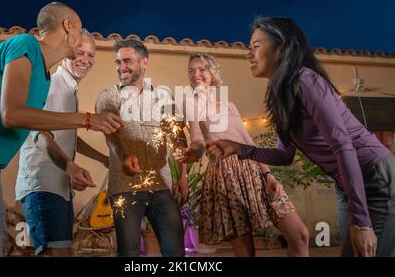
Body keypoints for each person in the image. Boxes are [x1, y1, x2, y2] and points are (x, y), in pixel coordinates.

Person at [207, 17, 395, 257]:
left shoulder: (306, 80)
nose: (248, 53)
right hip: (348, 185)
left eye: (256, 45)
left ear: (281, 49)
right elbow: (285, 155)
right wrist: (238, 148)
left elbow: (342, 144)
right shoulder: (280, 94)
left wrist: (362, 222)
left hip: (375, 177)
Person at [0, 2, 123, 257]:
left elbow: (45, 126)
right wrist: (87, 119)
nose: (87, 56)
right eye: (79, 27)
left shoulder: (43, 78)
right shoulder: (25, 45)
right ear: (68, 26)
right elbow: (12, 115)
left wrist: (87, 157)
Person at [173, 52, 309, 257]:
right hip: (226, 176)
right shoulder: (192, 104)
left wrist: (268, 174)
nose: (196, 74)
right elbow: (197, 139)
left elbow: (248, 141)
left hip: (254, 169)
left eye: (202, 69)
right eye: (191, 70)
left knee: (300, 235)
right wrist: (193, 152)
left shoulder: (229, 106)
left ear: (212, 72)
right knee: (245, 252)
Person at [16, 29, 109, 256]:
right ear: (67, 52)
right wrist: (70, 167)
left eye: (91, 55)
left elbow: (66, 134)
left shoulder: (70, 89)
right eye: (80, 53)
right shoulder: (53, 84)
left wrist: (103, 158)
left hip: (59, 188)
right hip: (43, 185)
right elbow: (41, 134)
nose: (86, 60)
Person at [95, 39, 188, 257]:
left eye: (127, 61)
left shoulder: (162, 96)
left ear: (144, 63)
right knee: (128, 253)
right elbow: (111, 136)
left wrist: (182, 177)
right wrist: (124, 156)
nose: (121, 67)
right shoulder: (109, 96)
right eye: (118, 62)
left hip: (162, 186)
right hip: (124, 188)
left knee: (175, 252)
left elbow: (177, 136)